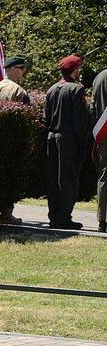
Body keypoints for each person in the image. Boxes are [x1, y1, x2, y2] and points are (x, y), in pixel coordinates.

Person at [45, 55, 89, 230]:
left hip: (52, 136)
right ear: (74, 70)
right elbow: (79, 120)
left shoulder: (52, 89)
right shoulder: (76, 89)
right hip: (68, 138)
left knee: (53, 178)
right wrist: (82, 141)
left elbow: (46, 118)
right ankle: (64, 217)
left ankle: (54, 216)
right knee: (68, 178)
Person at [0, 55, 31, 225]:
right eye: (21, 68)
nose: (23, 72)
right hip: (12, 141)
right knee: (10, 177)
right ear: (12, 69)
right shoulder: (18, 91)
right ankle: (5, 213)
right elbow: (26, 118)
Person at [92, 66, 107, 233]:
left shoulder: (99, 77)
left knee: (103, 177)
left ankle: (102, 220)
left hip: (103, 132)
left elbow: (93, 107)